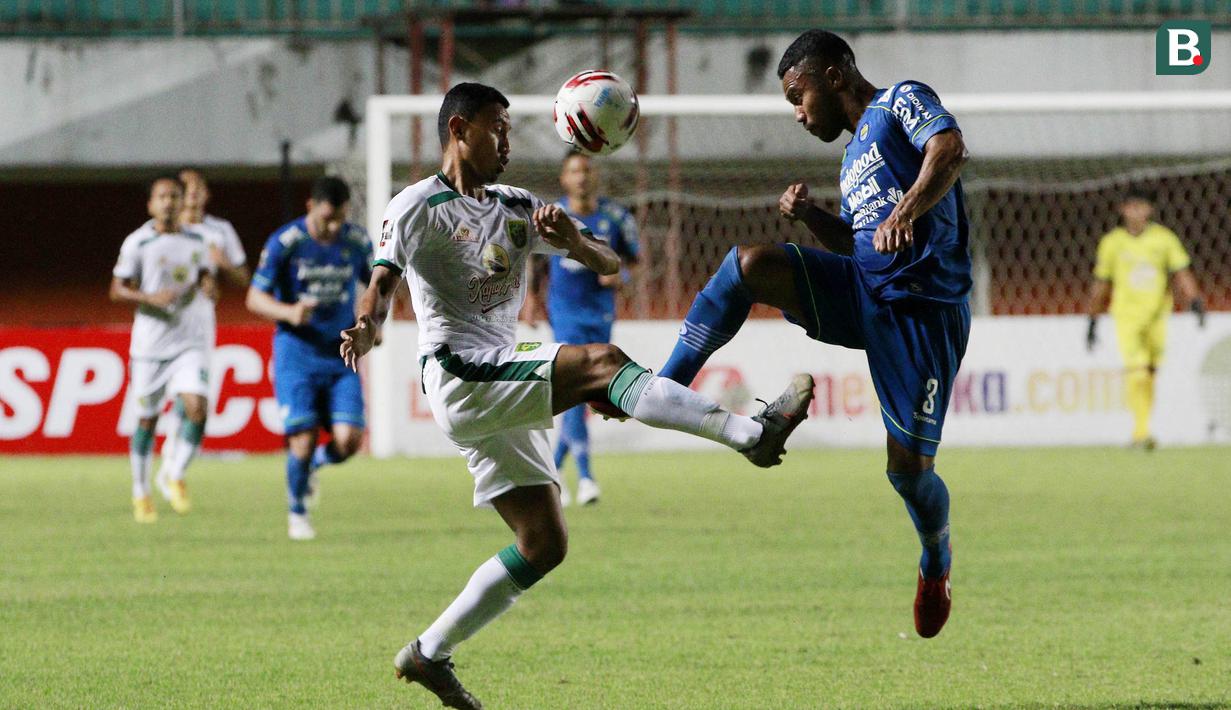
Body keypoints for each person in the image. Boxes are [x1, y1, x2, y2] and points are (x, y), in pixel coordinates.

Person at [340, 81, 814, 709]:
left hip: (495, 378)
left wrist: (570, 242)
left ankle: (429, 653)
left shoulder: (516, 205)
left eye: (510, 129)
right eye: (496, 128)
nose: (507, 142)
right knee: (603, 364)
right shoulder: (415, 208)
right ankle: (752, 436)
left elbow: (609, 262)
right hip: (461, 371)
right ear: (458, 130)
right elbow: (380, 287)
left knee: (545, 544)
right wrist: (368, 330)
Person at [657, 30, 971, 640]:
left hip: (922, 311)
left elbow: (951, 149)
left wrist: (906, 211)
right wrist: (813, 219)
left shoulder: (900, 100)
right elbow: (857, 244)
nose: (798, 115)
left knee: (907, 472)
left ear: (833, 76)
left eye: (798, 97)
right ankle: (659, 386)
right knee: (748, 266)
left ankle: (936, 559)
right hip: (865, 293)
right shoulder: (853, 160)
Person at [246, 176, 372, 541]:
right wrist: (288, 312)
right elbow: (254, 298)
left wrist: (369, 324)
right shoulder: (286, 242)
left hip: (339, 355)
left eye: (339, 219)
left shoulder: (355, 240)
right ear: (310, 207)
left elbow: (377, 288)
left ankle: (315, 465)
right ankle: (297, 513)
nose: (333, 227)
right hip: (296, 354)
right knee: (300, 439)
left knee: (349, 442)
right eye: (327, 219)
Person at [527, 151, 641, 507]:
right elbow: (535, 260)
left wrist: (619, 277)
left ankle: (554, 472)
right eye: (574, 170)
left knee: (586, 391)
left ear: (597, 176)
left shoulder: (616, 218)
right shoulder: (553, 216)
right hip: (563, 314)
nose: (581, 177)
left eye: (587, 170)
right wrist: (530, 298)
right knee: (578, 388)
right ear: (563, 178)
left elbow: (635, 265)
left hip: (600, 315)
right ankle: (587, 477)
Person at [110, 176, 216, 523]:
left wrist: (207, 283)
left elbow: (202, 274)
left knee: (197, 408)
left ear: (182, 201)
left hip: (189, 342)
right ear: (151, 204)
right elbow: (117, 289)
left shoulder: (198, 240)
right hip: (151, 346)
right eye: (162, 197)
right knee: (146, 419)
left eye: (174, 196)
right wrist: (148, 297)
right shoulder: (138, 242)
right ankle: (141, 492)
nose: (169, 202)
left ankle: (175, 473)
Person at [154, 168, 251, 512]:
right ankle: (166, 465)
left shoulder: (219, 231)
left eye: (199, 187)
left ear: (206, 194)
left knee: (193, 401)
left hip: (198, 327)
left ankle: (173, 470)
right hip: (160, 327)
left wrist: (221, 266)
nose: (192, 193)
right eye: (186, 188)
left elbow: (244, 276)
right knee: (171, 403)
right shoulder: (160, 233)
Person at [1086, 188, 1204, 449]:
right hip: (1126, 317)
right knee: (1137, 370)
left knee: (1149, 372)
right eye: (1131, 206)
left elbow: (1180, 272)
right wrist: (1092, 319)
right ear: (1122, 210)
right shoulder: (1112, 243)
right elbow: (1102, 283)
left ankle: (1143, 428)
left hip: (1158, 316)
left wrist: (1194, 299)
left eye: (1141, 206)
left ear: (1149, 209)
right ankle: (1141, 433)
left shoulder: (1164, 240)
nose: (1136, 212)